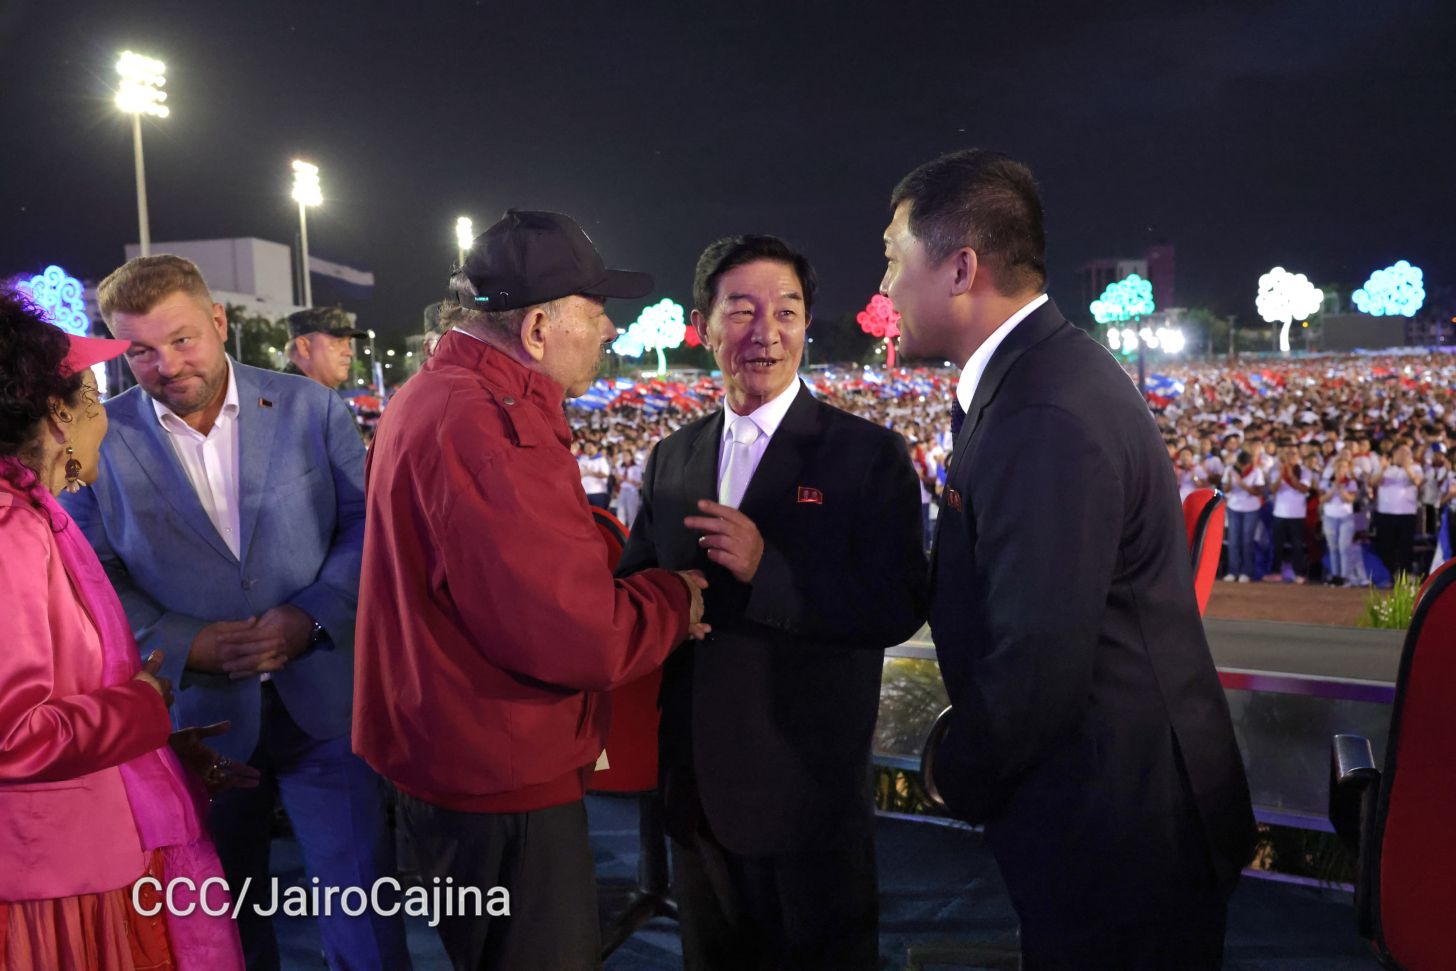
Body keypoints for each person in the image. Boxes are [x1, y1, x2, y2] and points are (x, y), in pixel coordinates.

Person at [881, 149, 1255, 968]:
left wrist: (953, 766)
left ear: (960, 268)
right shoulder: (1031, 377)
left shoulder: (1041, 407)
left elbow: (1038, 662)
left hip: (1122, 828)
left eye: (893, 258)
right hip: (1113, 805)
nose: (884, 289)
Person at [354, 209, 708, 971]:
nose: (610, 329)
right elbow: (576, 633)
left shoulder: (432, 392)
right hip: (499, 770)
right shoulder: (489, 420)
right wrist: (674, 598)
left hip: (448, 755)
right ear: (540, 326)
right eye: (596, 309)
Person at [60, 255, 409, 971]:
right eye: (141, 351)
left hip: (327, 702)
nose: (165, 364)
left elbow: (365, 530)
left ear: (219, 323)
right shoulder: (100, 435)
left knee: (364, 916)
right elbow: (94, 577)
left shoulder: (312, 407)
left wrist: (309, 617)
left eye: (182, 339)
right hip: (197, 723)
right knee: (224, 930)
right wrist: (189, 642)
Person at [617, 234, 928, 970]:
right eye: (742, 310)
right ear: (705, 324)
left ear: (807, 323)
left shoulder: (865, 456)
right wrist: (669, 601)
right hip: (695, 790)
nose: (766, 332)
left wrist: (769, 571)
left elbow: (895, 605)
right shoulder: (674, 455)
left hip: (806, 788)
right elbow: (634, 578)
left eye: (786, 310)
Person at [0, 288, 252, 970]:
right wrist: (141, 710)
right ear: (58, 415)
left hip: (84, 852)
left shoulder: (34, 513)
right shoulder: (11, 529)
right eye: (92, 398)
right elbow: (14, 733)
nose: (105, 419)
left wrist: (156, 749)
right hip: (60, 882)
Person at [1370, 443, 1423, 581]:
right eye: (1400, 453)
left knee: (1406, 547)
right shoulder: (1384, 468)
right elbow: (1372, 483)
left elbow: (1417, 482)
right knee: (1386, 546)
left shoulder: (1416, 468)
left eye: (1406, 453)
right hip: (1385, 513)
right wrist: (1382, 469)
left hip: (1407, 514)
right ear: (1393, 455)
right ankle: (1391, 574)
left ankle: (1406, 576)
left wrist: (1407, 468)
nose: (1403, 456)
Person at [283, 306, 366, 390]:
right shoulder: (286, 398)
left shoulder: (306, 395)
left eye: (348, 343)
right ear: (304, 347)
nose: (349, 352)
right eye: (338, 342)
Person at [1269, 443, 1314, 583]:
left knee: (1297, 545)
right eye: (1288, 454)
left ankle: (1299, 573)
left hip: (1297, 514)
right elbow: (1273, 490)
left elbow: (1303, 489)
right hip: (1280, 513)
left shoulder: (1305, 471)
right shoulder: (1277, 471)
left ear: (1299, 456)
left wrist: (1290, 476)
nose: (1291, 456)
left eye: (1294, 454)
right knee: (1277, 545)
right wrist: (1281, 476)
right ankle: (1276, 572)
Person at [1322, 457, 1360, 585]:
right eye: (1338, 467)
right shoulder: (1326, 482)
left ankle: (1345, 576)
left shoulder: (1351, 483)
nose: (1340, 470)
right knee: (1333, 547)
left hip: (1346, 517)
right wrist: (1334, 487)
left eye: (1343, 467)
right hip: (1330, 517)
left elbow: (1350, 499)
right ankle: (1335, 575)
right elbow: (1323, 499)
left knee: (1344, 547)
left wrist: (1342, 488)